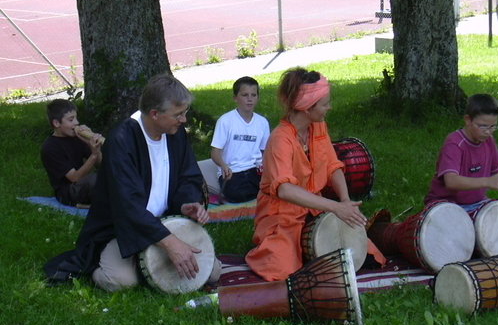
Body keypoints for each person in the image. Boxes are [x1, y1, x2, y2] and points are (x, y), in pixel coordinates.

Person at [44, 74, 220, 291]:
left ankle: (147, 260)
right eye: (178, 114)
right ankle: (109, 264)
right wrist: (170, 243)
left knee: (211, 273)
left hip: (164, 220)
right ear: (155, 114)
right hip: (124, 227)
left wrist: (187, 203)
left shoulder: (176, 133)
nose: (184, 119)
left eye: (184, 113)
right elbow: (127, 205)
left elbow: (188, 176)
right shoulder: (121, 141)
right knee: (121, 281)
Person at [245, 68, 385, 281]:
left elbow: (332, 165)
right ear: (307, 108)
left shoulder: (318, 127)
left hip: (315, 206)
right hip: (281, 214)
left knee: (367, 256)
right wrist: (335, 207)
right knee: (282, 270)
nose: (329, 107)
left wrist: (345, 202)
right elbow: (284, 189)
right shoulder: (280, 139)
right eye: (325, 103)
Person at [424, 93, 498, 211]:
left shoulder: (488, 141)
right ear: (468, 120)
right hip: (445, 205)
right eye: (483, 126)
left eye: (493, 127)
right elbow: (451, 181)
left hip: (476, 203)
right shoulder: (455, 143)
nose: (488, 132)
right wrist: (487, 181)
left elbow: (495, 173)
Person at [209, 76, 270, 203]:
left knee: (271, 187)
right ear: (235, 98)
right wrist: (223, 165)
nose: (249, 99)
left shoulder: (262, 122)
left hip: (254, 169)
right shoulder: (225, 121)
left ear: (258, 98)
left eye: (253, 95)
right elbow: (215, 152)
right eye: (245, 95)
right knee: (237, 195)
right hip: (232, 171)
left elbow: (265, 152)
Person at [40, 99, 102, 207]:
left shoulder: (76, 138)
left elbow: (101, 164)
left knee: (114, 171)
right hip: (68, 193)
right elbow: (75, 178)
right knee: (96, 180)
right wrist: (94, 155)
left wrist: (91, 142)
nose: (76, 123)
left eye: (76, 118)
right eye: (71, 119)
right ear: (56, 123)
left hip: (84, 184)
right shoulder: (50, 148)